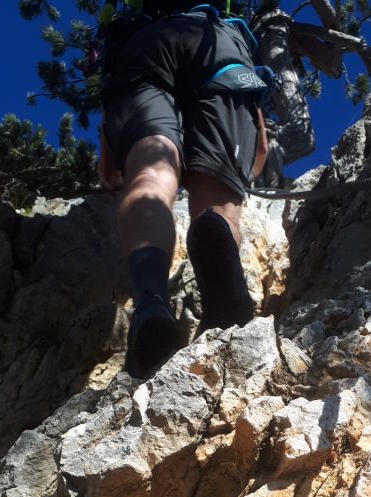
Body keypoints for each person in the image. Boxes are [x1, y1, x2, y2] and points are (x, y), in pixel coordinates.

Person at [96, 0, 270, 378]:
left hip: (140, 51)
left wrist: (110, 150)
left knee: (150, 177)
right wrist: (253, 152)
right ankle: (222, 273)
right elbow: (260, 148)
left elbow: (111, 156)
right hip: (215, 44)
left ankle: (151, 301)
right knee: (216, 193)